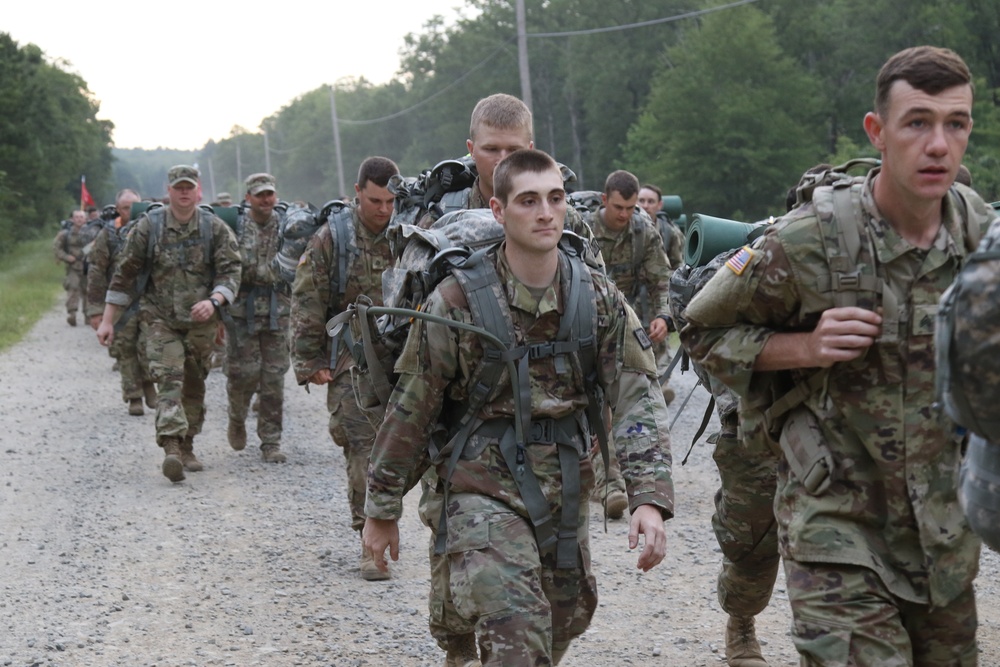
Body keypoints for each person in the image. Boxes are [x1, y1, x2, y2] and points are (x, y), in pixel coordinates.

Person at [682, 46, 997, 665]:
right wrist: (804, 345)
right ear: (877, 132)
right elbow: (701, 335)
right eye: (917, 122)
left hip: (943, 534)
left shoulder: (980, 238)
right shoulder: (807, 241)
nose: (938, 143)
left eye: (955, 123)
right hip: (834, 527)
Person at [364, 149, 673, 666]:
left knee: (566, 617)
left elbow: (636, 393)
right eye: (528, 200)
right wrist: (382, 506)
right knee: (514, 624)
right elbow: (413, 407)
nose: (545, 212)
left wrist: (647, 497)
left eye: (554, 199)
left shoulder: (597, 297)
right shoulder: (455, 301)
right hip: (480, 483)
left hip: (567, 481)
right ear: (498, 210)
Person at [290, 156, 399, 578]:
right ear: (357, 192)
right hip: (352, 355)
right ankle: (368, 543)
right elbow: (307, 300)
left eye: (391, 201)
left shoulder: (408, 234)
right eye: (375, 200)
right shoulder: (331, 239)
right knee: (359, 446)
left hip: (404, 355)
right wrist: (309, 360)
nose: (384, 210)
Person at [97, 165, 241, 483]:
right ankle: (172, 447)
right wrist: (107, 321)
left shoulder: (214, 228)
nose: (185, 192)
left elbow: (231, 271)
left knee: (194, 383)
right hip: (159, 318)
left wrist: (215, 300)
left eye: (190, 186)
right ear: (170, 191)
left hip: (201, 322)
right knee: (169, 380)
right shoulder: (149, 226)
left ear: (199, 190)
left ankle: (188, 444)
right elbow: (124, 276)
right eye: (179, 187)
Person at [582, 170, 673, 518]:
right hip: (583, 322)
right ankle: (597, 475)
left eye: (631, 207)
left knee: (619, 399)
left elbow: (660, 279)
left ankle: (612, 482)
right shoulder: (582, 229)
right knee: (590, 402)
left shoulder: (642, 231)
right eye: (619, 207)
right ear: (605, 200)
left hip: (623, 324)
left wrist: (664, 316)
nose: (624, 214)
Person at [225, 173, 291, 463]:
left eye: (270, 194)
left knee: (274, 379)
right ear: (248, 197)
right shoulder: (235, 228)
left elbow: (296, 264)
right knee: (244, 375)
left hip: (278, 312)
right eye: (260, 194)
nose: (266, 200)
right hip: (243, 313)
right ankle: (237, 417)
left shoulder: (289, 226)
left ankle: (270, 441)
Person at [86, 189, 157, 416]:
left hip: (149, 300)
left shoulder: (153, 230)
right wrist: (96, 310)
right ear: (118, 209)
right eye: (126, 207)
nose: (131, 211)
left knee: (148, 346)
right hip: (119, 302)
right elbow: (96, 271)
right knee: (125, 350)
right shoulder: (108, 235)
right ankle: (133, 396)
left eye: (135, 206)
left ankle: (148, 382)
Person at [53, 210, 88, 326]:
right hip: (73, 266)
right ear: (72, 219)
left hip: (88, 266)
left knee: (88, 290)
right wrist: (66, 257)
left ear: (85, 219)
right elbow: (57, 248)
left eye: (81, 217)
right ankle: (72, 314)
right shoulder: (65, 234)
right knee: (73, 288)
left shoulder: (92, 233)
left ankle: (89, 314)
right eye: (76, 217)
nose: (79, 219)